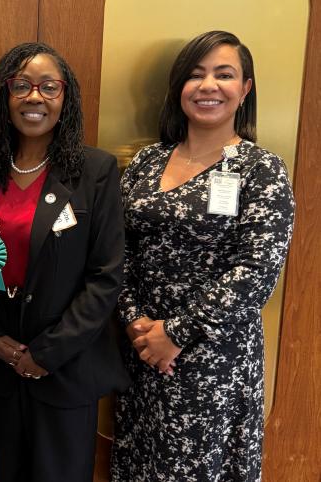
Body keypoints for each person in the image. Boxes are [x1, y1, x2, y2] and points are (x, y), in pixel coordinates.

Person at [111, 31, 295, 481]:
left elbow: (256, 271)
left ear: (245, 89)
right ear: (179, 88)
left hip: (215, 358)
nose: (208, 85)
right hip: (142, 353)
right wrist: (137, 324)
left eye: (224, 74)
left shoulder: (260, 169)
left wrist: (175, 333)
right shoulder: (147, 162)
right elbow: (118, 249)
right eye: (195, 75)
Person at [0, 42, 130, 481]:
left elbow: (105, 277)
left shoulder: (95, 171)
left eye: (49, 87)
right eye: (21, 86)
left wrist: (47, 352)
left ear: (65, 98)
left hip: (66, 369)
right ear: (5, 95)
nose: (34, 97)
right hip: (1, 368)